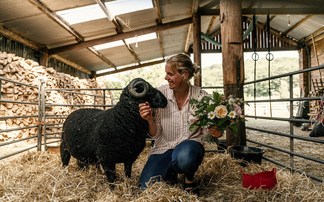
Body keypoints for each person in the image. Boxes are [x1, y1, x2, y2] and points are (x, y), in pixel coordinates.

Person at [138, 53, 221, 195]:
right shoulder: (159, 94)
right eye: (166, 73)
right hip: (163, 147)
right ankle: (171, 171)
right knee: (146, 187)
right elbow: (155, 134)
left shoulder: (202, 97)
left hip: (190, 147)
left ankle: (189, 178)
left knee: (184, 159)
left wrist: (215, 132)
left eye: (170, 74)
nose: (166, 77)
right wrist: (149, 120)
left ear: (185, 74)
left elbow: (207, 132)